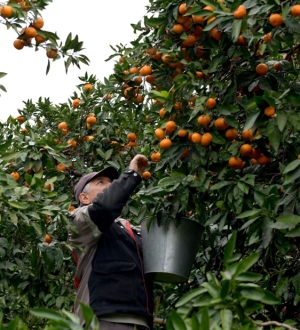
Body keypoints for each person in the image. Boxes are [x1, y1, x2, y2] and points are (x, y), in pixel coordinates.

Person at [68, 154, 154, 330]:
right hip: (103, 317)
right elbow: (105, 207)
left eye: (111, 181)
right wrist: (132, 174)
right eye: (101, 182)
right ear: (84, 198)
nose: (110, 185)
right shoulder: (79, 220)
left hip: (139, 319)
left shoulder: (131, 229)